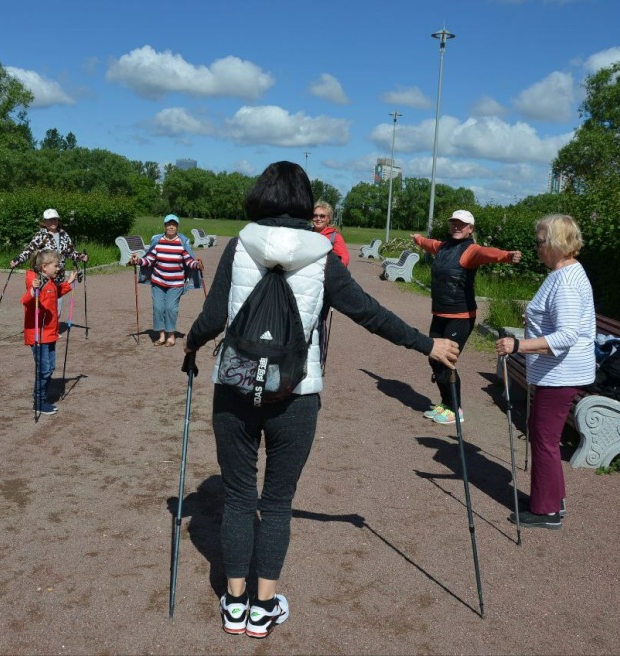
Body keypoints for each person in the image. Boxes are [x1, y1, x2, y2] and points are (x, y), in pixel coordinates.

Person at [183, 162, 459, 638]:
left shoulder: (239, 245)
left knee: (237, 498)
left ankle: (233, 604)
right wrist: (427, 344)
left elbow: (211, 317)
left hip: (235, 389)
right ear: (305, 203)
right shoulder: (323, 255)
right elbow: (369, 313)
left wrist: (190, 347)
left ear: (260, 196)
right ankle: (263, 609)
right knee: (277, 502)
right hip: (297, 393)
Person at [495, 214, 595, 530]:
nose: (536, 247)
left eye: (540, 241)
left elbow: (566, 337)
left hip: (560, 373)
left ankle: (548, 511)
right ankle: (550, 498)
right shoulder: (565, 273)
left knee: (544, 437)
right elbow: (560, 321)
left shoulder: (565, 281)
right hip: (557, 372)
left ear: (555, 243)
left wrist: (517, 346)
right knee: (541, 433)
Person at [413, 209, 522, 425]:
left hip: (460, 316)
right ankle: (446, 403)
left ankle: (455, 409)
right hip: (440, 314)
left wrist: (507, 256)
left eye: (461, 224)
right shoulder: (443, 247)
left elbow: (487, 253)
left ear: (470, 229)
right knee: (433, 357)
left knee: (446, 361)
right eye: (453, 223)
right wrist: (417, 239)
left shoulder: (470, 250)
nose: (456, 227)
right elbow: (428, 243)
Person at [128, 214, 201, 347]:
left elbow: (189, 260)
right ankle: (162, 336)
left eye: (174, 224)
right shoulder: (158, 241)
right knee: (158, 308)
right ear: (165, 226)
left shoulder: (181, 243)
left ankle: (171, 335)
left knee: (171, 308)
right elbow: (149, 260)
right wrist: (137, 261)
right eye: (168, 224)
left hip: (175, 283)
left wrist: (196, 265)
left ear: (177, 227)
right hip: (158, 282)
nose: (171, 226)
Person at [21, 250, 77, 415]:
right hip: (38, 334)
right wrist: (33, 290)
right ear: (44, 267)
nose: (59, 268)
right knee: (44, 368)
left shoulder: (51, 282)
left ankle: (43, 397)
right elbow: (25, 300)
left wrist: (69, 282)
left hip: (50, 333)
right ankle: (38, 401)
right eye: (56, 265)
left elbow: (56, 293)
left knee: (50, 367)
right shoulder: (36, 281)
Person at [10, 208, 88, 282]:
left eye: (55, 219)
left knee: (59, 296)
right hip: (44, 277)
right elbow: (29, 251)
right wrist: (18, 260)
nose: (53, 222)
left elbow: (70, 252)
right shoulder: (40, 235)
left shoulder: (64, 235)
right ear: (45, 221)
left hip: (59, 276)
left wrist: (80, 256)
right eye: (50, 220)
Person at [311, 200, 349, 267]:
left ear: (329, 219)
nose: (318, 218)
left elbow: (344, 259)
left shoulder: (335, 237)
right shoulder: (307, 233)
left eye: (322, 216)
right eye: (315, 215)